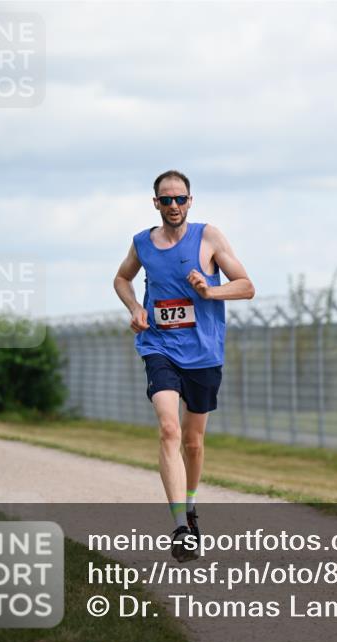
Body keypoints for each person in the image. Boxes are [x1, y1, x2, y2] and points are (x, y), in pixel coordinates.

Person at [113, 170, 254, 562]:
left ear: (190, 201)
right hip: (159, 345)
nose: (173, 205)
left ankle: (190, 507)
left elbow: (246, 285)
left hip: (204, 352)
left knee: (193, 442)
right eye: (166, 199)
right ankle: (179, 527)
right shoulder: (143, 243)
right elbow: (122, 279)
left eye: (180, 199)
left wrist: (211, 290)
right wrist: (136, 307)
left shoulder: (208, 237)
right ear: (155, 203)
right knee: (169, 428)